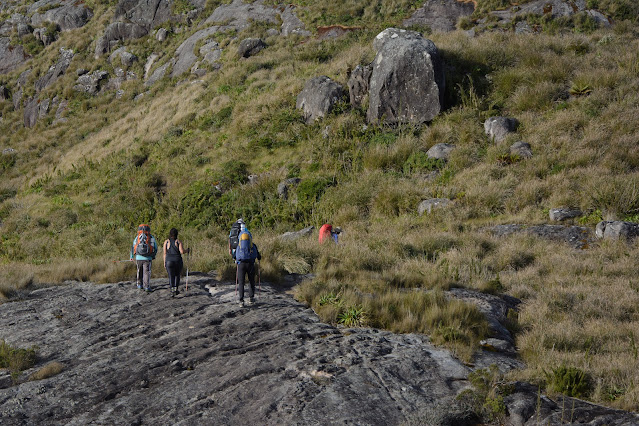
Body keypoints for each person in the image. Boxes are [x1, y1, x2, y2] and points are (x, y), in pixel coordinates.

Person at [235, 223, 261, 307]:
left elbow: (234, 255)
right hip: (250, 264)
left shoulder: (239, 246)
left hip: (241, 265)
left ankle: (241, 301)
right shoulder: (253, 245)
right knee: (251, 281)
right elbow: (258, 256)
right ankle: (251, 298)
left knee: (241, 283)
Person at [130, 224, 158, 292]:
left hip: (138, 258)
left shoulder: (137, 237)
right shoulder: (151, 237)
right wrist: (153, 256)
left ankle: (139, 285)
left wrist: (132, 256)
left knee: (139, 271)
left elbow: (133, 247)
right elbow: (156, 248)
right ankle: (146, 287)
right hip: (148, 258)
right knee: (147, 272)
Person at [163, 228, 189, 297]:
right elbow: (182, 252)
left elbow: (164, 253)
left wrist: (164, 262)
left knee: (171, 276)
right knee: (177, 275)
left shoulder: (166, 242)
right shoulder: (178, 241)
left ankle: (172, 289)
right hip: (177, 260)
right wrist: (187, 250)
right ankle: (176, 289)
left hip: (169, 261)